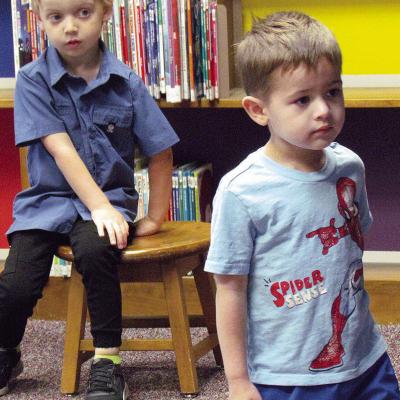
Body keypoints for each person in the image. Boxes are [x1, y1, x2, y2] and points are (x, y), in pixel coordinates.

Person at [204, 11, 400, 400]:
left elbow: (353, 247)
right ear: (259, 110)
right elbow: (228, 288)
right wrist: (238, 380)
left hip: (365, 357)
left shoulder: (350, 166)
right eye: (302, 99)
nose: (324, 110)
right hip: (287, 375)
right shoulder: (242, 191)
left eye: (332, 91)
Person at [0, 0, 179, 399]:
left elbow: (161, 150)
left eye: (83, 13)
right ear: (40, 20)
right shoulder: (32, 79)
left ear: (106, 13)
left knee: (97, 254)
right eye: (56, 17)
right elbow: (60, 148)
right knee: (15, 286)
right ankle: (6, 351)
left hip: (110, 201)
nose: (70, 27)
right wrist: (96, 205)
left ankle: (107, 361)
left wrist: (154, 215)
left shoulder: (127, 82)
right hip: (46, 201)